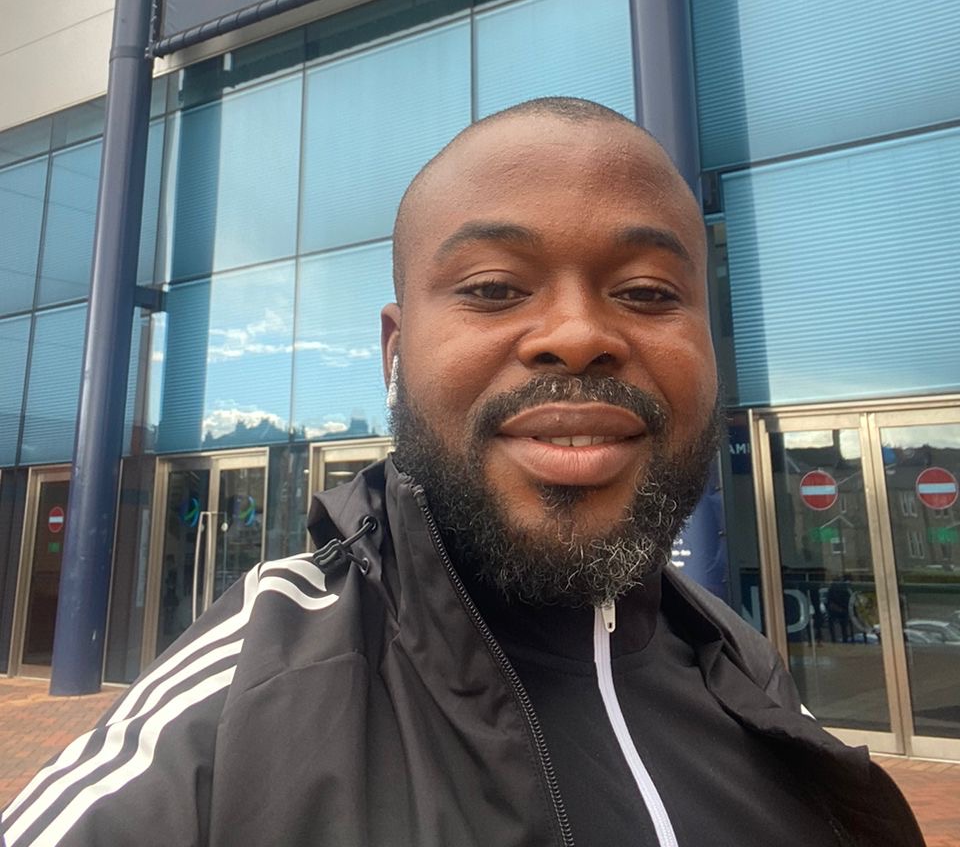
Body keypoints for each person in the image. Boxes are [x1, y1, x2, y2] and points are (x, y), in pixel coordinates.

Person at [1, 98, 922, 847]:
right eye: (492, 288)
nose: (577, 335)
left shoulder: (738, 662)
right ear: (396, 353)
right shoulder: (247, 696)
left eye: (646, 292)